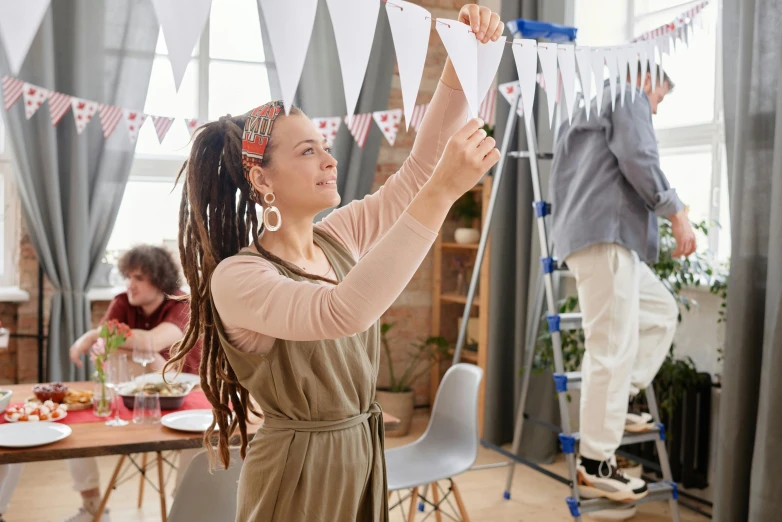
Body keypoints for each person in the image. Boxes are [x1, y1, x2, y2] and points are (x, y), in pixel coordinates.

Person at [164, 5, 502, 520]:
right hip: (298, 473)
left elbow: (416, 175)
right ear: (262, 179)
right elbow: (342, 311)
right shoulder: (239, 278)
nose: (330, 159)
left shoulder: (338, 235)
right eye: (307, 151)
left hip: (362, 456)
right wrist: (444, 193)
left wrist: (460, 61)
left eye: (325, 145)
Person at [549, 64, 697, 502]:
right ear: (647, 79)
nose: (657, 108)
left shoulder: (588, 101)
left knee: (659, 312)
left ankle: (619, 404)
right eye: (660, 99)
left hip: (603, 237)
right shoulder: (627, 95)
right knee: (609, 349)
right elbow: (639, 157)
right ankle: (596, 463)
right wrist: (677, 211)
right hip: (605, 236)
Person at [61, 244, 199, 522]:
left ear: (159, 279)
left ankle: (183, 510)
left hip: (183, 397)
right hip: (131, 396)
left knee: (198, 437)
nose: (130, 285)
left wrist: (94, 336)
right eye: (129, 277)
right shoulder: (124, 302)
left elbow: (152, 342)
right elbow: (110, 348)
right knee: (71, 426)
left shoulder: (182, 304)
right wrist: (105, 339)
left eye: (138, 278)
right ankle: (92, 507)